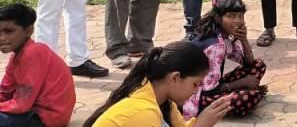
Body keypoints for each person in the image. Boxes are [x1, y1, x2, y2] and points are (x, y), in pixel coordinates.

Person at [83, 42, 232, 127]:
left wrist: (205, 120)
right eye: (195, 84)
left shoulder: (165, 103)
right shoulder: (143, 112)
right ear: (174, 78)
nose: (196, 91)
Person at [183, 0, 266, 120]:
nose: (237, 21)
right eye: (231, 16)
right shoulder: (215, 46)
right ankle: (206, 109)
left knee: (258, 65)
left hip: (211, 84)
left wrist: (243, 40)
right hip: (196, 94)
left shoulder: (224, 36)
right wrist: (242, 82)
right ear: (218, 18)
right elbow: (209, 90)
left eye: (240, 16)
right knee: (249, 97)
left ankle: (240, 90)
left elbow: (249, 63)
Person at [0, 3, 75, 127]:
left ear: (29, 31)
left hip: (46, 117)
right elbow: (4, 91)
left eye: (9, 32)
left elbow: (21, 105)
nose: (2, 38)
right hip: (30, 112)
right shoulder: (16, 57)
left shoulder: (33, 53)